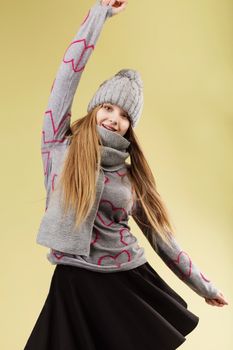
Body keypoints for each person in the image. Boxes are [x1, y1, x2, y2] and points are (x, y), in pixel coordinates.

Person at [24, 1, 228, 349]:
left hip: (127, 278)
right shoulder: (58, 146)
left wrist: (203, 285)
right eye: (107, 107)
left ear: (130, 126)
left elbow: (162, 239)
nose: (113, 118)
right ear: (94, 109)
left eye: (124, 115)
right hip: (73, 280)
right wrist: (99, 14)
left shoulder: (129, 177)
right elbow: (67, 75)